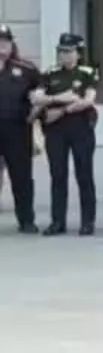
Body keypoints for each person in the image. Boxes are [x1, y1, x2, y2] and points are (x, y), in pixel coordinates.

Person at [30, 33, 97, 236]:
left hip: (80, 128)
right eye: (61, 51)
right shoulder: (50, 74)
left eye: (69, 52)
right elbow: (37, 99)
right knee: (58, 175)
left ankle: (87, 221)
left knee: (83, 174)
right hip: (56, 131)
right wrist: (62, 98)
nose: (64, 56)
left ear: (78, 53)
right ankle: (58, 221)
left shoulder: (87, 72)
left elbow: (87, 100)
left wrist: (61, 110)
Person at [0, 26, 39, 233]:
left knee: (22, 176)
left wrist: (35, 112)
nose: (2, 45)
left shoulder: (26, 69)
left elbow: (39, 95)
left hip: (16, 129)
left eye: (5, 41)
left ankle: (26, 219)